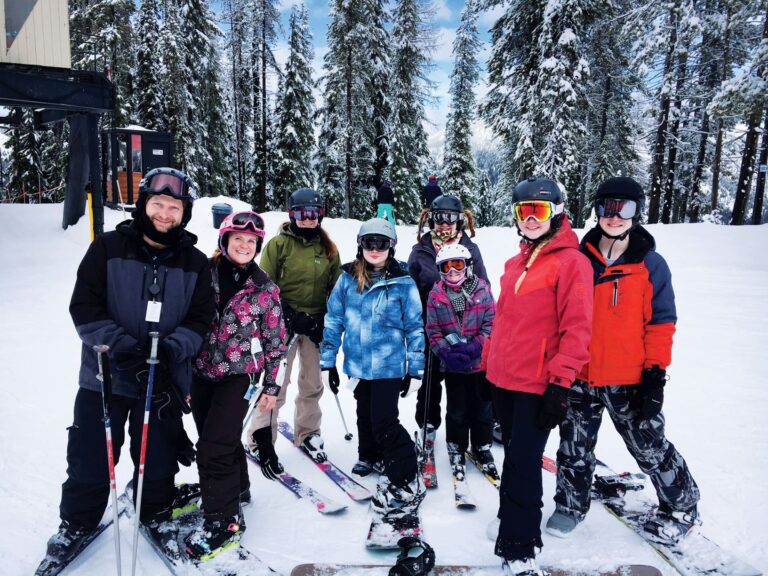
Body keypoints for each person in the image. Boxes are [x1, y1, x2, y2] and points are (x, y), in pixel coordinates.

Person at [39, 168, 215, 566]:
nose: (165, 213)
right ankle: (77, 523)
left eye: (174, 206)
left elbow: (201, 319)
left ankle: (155, 512)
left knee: (157, 456)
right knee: (90, 456)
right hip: (105, 375)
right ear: (143, 204)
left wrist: (171, 350)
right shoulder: (107, 248)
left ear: (184, 212)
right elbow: (84, 306)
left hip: (162, 377)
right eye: (158, 204)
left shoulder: (196, 263)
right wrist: (121, 348)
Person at [546, 176, 700, 545]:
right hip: (581, 376)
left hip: (628, 379)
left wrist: (655, 375)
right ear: (596, 211)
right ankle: (570, 506)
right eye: (606, 208)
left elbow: (662, 323)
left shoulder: (650, 264)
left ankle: (681, 506)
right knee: (574, 448)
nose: (614, 217)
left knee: (649, 447)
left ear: (637, 213)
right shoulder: (578, 259)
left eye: (624, 209)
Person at [482, 176, 592, 575]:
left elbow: (577, 328)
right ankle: (510, 517)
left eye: (538, 211)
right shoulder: (517, 261)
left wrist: (560, 385)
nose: (530, 219)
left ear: (557, 212)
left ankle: (521, 546)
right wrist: (488, 365)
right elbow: (504, 321)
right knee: (511, 456)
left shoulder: (571, 263)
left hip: (538, 385)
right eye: (523, 211)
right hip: (504, 380)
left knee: (525, 462)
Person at [184, 211, 286, 559]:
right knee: (215, 438)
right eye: (238, 239)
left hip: (239, 376)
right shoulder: (203, 275)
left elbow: (276, 342)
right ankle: (238, 489)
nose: (244, 245)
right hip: (201, 371)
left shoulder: (265, 289)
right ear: (224, 241)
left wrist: (272, 388)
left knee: (213, 446)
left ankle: (222, 520)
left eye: (251, 241)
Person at [320, 218, 426, 513]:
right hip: (357, 362)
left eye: (382, 243)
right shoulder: (347, 279)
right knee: (364, 411)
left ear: (391, 246)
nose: (375, 249)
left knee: (384, 420)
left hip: (389, 365)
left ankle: (404, 469)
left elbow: (415, 327)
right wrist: (328, 362)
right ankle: (369, 454)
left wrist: (415, 368)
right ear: (360, 245)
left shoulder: (403, 282)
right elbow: (334, 320)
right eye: (369, 243)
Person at [245, 188, 341, 465]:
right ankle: (260, 437)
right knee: (276, 383)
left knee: (312, 382)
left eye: (314, 213)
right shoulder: (279, 244)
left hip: (313, 325)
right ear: (292, 214)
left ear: (320, 215)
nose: (308, 219)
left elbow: (335, 287)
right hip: (282, 324)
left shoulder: (328, 247)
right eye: (302, 213)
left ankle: (308, 432)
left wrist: (324, 319)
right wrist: (285, 313)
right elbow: (264, 284)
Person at [408, 194, 488, 452]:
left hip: (465, 329)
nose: (444, 225)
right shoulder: (421, 250)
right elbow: (410, 287)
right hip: (431, 325)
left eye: (450, 219)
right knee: (430, 383)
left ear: (459, 221)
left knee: (465, 384)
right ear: (431, 220)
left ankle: (475, 428)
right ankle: (427, 425)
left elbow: (483, 287)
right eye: (439, 219)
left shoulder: (470, 249)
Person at [425, 244, 497, 482]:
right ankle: (456, 446)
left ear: (468, 267)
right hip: (454, 366)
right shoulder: (436, 296)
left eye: (458, 265)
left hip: (479, 365)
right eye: (446, 267)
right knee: (456, 410)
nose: (453, 272)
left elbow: (491, 324)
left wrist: (478, 345)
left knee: (482, 408)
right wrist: (445, 353)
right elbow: (433, 330)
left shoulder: (482, 291)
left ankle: (482, 445)